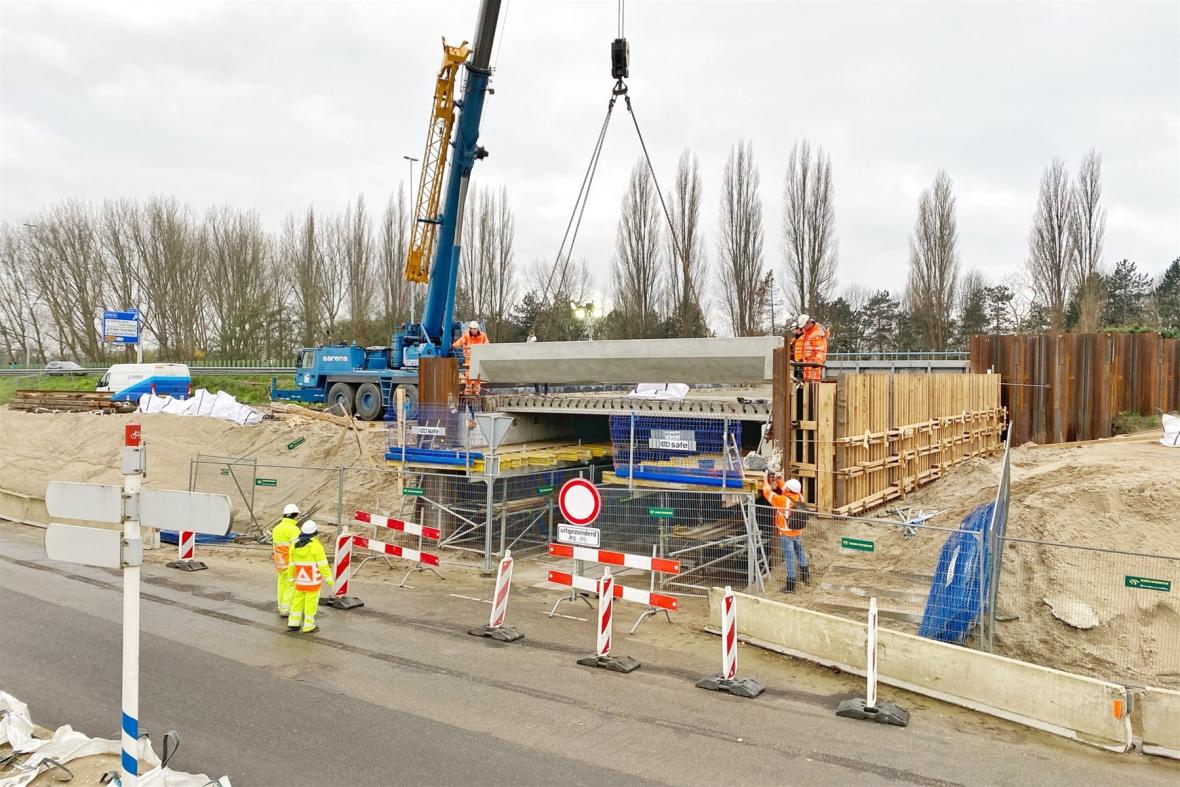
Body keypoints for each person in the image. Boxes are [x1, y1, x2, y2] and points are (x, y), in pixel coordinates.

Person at [762, 470, 809, 593]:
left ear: (789, 489)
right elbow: (785, 488)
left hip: (786, 533)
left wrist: (765, 480)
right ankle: (805, 576)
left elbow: (767, 493)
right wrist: (777, 480)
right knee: (800, 551)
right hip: (797, 531)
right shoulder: (799, 496)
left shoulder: (783, 500)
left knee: (789, 558)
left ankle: (790, 585)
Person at [286, 520, 333, 633]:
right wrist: (329, 579)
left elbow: (291, 565)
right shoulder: (316, 547)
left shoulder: (294, 546)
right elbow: (323, 565)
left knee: (297, 602)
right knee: (310, 603)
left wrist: (291, 579)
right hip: (312, 582)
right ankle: (308, 625)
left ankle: (293, 623)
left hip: (300, 581)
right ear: (314, 533)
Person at [271, 503, 302, 617]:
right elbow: (297, 548)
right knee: (291, 586)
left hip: (279, 561)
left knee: (281, 585)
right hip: (290, 563)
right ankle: (285, 609)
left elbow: (275, 546)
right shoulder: (294, 530)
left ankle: (281, 606)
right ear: (295, 515)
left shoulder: (276, 528)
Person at [452, 320, 490, 395]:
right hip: (469, 358)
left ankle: (476, 390)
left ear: (477, 329)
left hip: (479, 358)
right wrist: (454, 346)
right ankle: (468, 390)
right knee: (468, 374)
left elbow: (487, 343)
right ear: (470, 329)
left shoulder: (482, 335)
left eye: (476, 329)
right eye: (473, 329)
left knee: (478, 374)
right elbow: (460, 341)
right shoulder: (466, 336)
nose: (474, 330)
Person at [792, 313, 829, 382]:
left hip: (814, 363)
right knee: (807, 381)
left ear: (808, 323)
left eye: (803, 326)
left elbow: (820, 350)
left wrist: (816, 364)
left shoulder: (817, 334)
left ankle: (813, 391)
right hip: (807, 362)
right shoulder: (808, 332)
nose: (803, 328)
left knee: (814, 382)